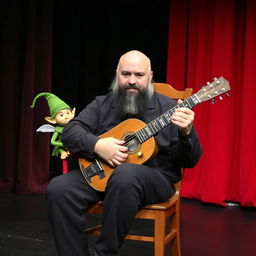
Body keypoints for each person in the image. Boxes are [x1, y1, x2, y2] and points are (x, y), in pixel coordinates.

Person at [46, 50, 202, 256]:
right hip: (104, 174)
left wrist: (186, 133)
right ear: (117, 74)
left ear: (150, 77)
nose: (132, 81)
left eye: (139, 75)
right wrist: (98, 146)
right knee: (58, 188)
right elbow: (70, 132)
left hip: (156, 179)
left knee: (125, 174)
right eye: (126, 74)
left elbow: (189, 160)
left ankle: (105, 253)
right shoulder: (103, 103)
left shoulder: (169, 109)